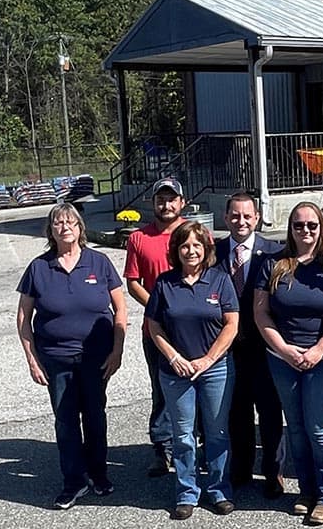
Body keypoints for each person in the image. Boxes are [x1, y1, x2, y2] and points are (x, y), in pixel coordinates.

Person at [16, 203, 127, 509]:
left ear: (80, 228)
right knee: (65, 421)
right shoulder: (39, 267)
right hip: (56, 359)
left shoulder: (99, 262)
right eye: (57, 223)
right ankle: (73, 482)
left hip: (96, 357)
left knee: (95, 417)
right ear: (50, 231)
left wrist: (117, 350)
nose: (64, 227)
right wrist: (32, 358)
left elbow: (120, 309)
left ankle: (98, 474)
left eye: (69, 222)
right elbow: (24, 318)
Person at [254, 202, 323, 525]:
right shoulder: (273, 264)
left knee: (319, 428)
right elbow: (260, 313)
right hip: (282, 358)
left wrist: (320, 348)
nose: (305, 231)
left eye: (312, 226)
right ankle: (305, 492)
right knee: (295, 427)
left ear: (322, 228)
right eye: (298, 225)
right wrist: (284, 348)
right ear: (290, 229)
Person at [146, 221, 239, 520]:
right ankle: (187, 492)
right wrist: (173, 357)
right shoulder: (164, 283)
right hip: (176, 373)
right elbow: (154, 325)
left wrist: (208, 360)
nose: (191, 251)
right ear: (176, 250)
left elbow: (232, 324)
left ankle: (219, 489)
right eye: (185, 245)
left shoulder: (220, 280)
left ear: (206, 249)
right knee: (183, 434)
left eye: (196, 245)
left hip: (215, 370)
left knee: (217, 432)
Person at [215, 192, 285, 497]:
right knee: (236, 412)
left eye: (247, 216)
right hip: (228, 348)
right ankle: (241, 470)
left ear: (256, 218)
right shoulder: (213, 252)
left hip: (264, 347)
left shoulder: (274, 252)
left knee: (270, 413)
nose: (240, 221)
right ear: (225, 217)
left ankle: (274, 472)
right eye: (235, 215)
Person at [123, 177, 186, 477]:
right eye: (161, 199)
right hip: (156, 329)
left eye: (171, 198)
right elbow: (133, 281)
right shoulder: (138, 238)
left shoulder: (195, 234)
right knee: (161, 389)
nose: (166, 204)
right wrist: (158, 307)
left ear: (181, 203)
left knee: (195, 386)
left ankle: (194, 445)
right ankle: (162, 449)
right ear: (153, 203)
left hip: (192, 330)